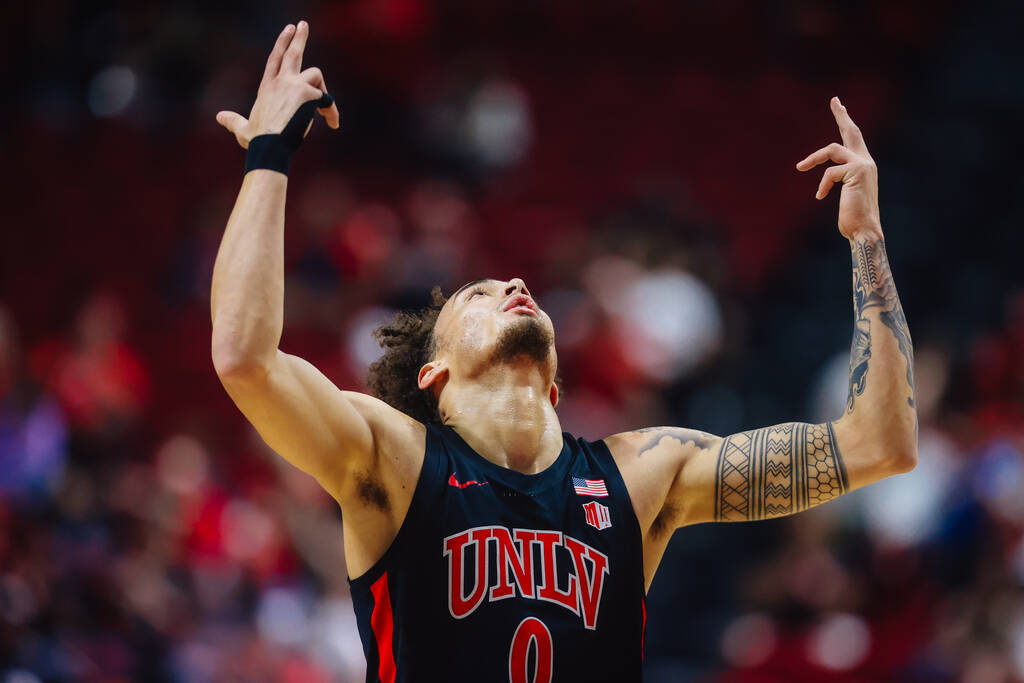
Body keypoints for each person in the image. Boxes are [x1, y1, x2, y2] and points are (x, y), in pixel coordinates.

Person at [211, 21, 918, 683]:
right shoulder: (395, 461)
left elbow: (879, 444)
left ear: (553, 385)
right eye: (479, 295)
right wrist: (269, 152)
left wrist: (867, 240)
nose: (514, 284)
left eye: (511, 283)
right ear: (434, 374)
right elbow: (245, 356)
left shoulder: (642, 475)